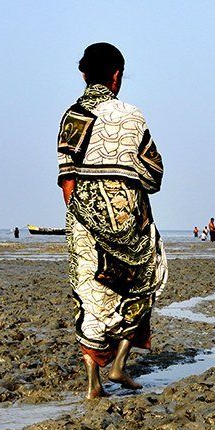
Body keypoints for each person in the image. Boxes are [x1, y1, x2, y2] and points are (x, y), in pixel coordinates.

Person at [56, 42, 166, 398]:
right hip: (130, 218)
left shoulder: (71, 117)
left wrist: (82, 219)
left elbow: (67, 179)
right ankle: (119, 362)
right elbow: (154, 175)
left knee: (90, 294)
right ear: (116, 75)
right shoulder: (132, 116)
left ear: (85, 74)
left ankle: (93, 384)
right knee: (143, 282)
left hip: (85, 220)